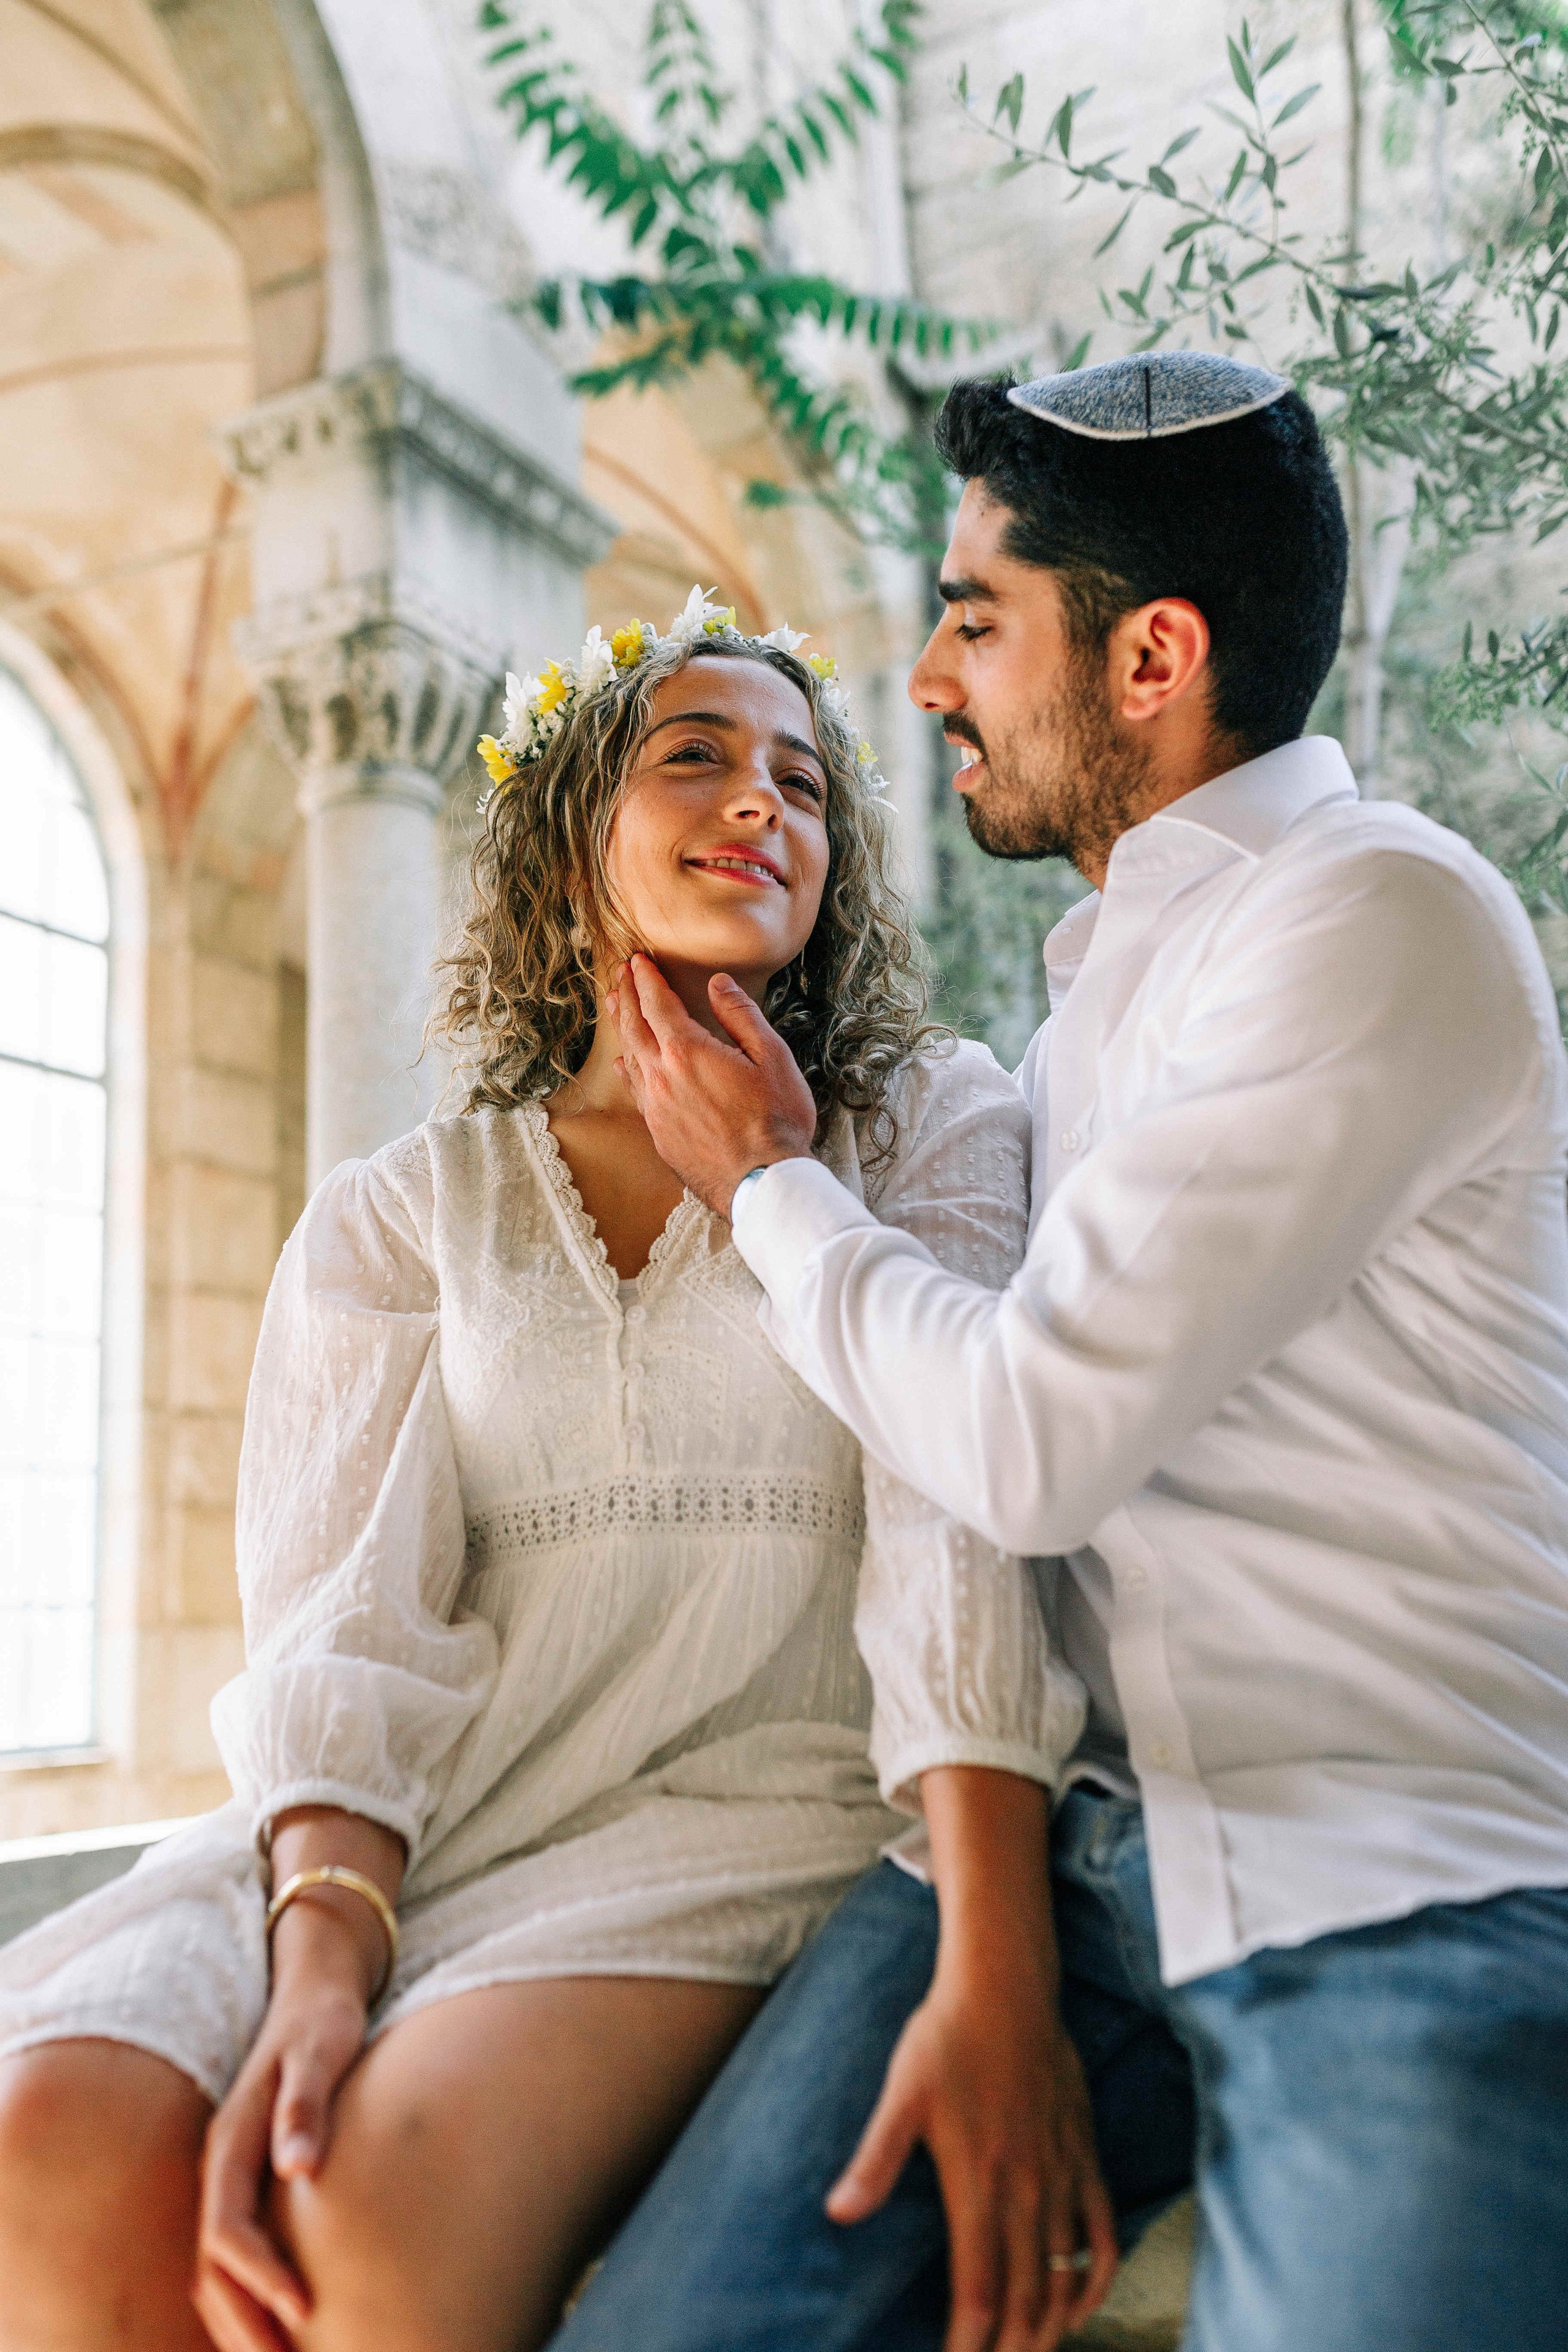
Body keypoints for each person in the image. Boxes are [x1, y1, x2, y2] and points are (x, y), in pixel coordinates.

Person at [556, 355, 1568, 2352]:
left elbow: (1028, 1442)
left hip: (1401, 1881)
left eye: (976, 619)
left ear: (1151, 658)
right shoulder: (1081, 1019)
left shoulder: (1379, 913)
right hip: (1071, 1862)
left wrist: (771, 1183)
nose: (927, 679)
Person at [0, 595, 1090, 2352]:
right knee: (54, 2138)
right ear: (575, 837)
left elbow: (956, 1532)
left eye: (805, 783)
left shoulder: (923, 1128)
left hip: (746, 1797)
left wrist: (996, 1964)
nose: (763, 800)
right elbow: (343, 1626)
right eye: (697, 756)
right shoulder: (406, 1209)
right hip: (416, 1815)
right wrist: (324, 1956)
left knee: (378, 2199)